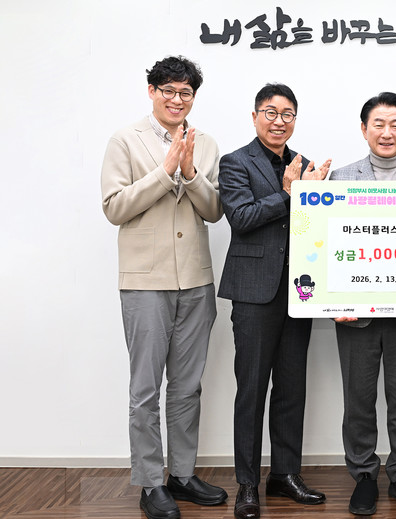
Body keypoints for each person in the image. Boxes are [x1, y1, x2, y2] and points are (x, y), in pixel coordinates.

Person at [101, 55, 227, 519]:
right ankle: (151, 482)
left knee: (187, 387)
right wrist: (165, 170)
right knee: (145, 390)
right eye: (169, 90)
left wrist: (190, 173)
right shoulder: (125, 139)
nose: (177, 99)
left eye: (185, 93)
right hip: (145, 282)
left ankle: (183, 475)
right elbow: (114, 207)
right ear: (152, 91)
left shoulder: (206, 144)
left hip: (195, 280)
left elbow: (214, 210)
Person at [218, 83, 331, 519]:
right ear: (254, 117)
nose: (278, 121)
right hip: (253, 292)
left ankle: (285, 474)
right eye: (270, 112)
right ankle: (247, 483)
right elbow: (241, 218)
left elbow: (317, 228)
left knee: (291, 387)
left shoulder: (304, 164)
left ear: (295, 120)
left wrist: (319, 195)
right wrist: (290, 194)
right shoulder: (235, 162)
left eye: (287, 114)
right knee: (251, 389)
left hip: (299, 291)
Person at [329, 92, 396, 516]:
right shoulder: (339, 179)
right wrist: (330, 300)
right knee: (357, 399)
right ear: (364, 129)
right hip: (354, 313)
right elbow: (325, 241)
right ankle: (363, 475)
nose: (387, 132)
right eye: (378, 123)